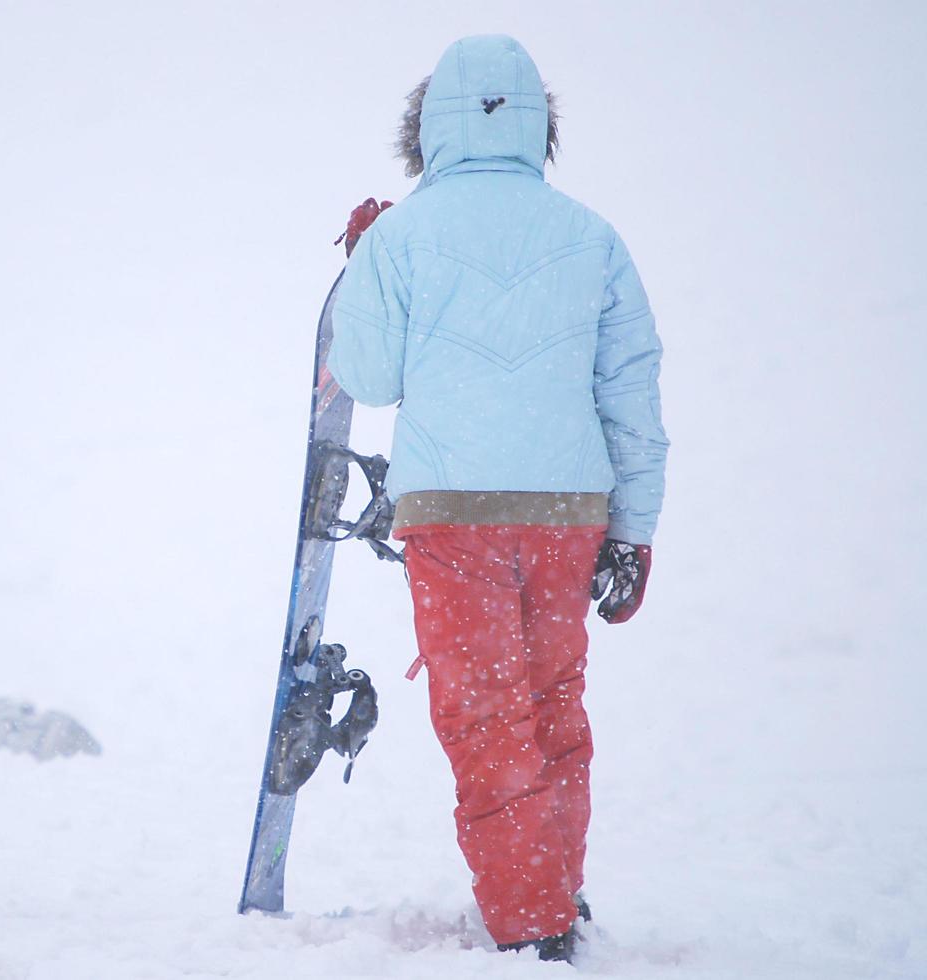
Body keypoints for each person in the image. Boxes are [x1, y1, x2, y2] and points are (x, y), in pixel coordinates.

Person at [329, 35, 668, 963]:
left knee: (487, 716)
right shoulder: (593, 237)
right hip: (570, 512)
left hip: (454, 509)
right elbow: (631, 394)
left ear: (427, 127)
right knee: (555, 702)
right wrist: (634, 533)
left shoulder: (401, 237)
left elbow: (365, 374)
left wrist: (365, 264)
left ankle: (533, 926)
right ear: (539, 126)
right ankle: (552, 886)